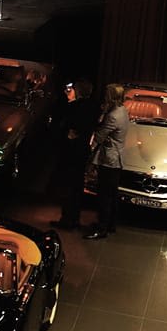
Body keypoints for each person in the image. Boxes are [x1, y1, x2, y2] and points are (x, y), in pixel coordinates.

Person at [52, 81, 99, 231]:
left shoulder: (77, 107)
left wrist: (71, 103)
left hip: (72, 151)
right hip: (82, 150)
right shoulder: (93, 106)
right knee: (77, 185)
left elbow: (67, 125)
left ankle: (68, 219)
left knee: (69, 185)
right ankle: (74, 218)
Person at [86, 83, 131, 239]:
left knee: (104, 195)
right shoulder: (122, 110)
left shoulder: (112, 115)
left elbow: (99, 136)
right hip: (117, 157)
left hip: (109, 159)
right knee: (111, 194)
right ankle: (110, 224)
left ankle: (101, 228)